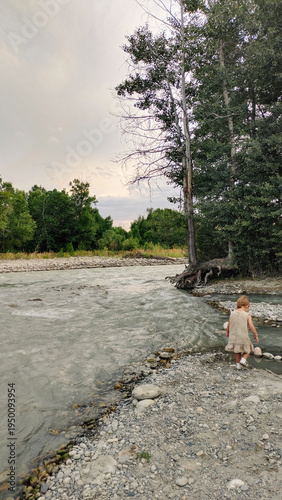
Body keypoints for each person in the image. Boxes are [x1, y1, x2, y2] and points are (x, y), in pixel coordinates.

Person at [225, 295, 259, 369]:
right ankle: (243, 360)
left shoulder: (232, 313)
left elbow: (229, 324)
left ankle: (238, 365)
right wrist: (256, 335)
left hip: (233, 336)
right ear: (247, 306)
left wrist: (227, 332)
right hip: (243, 335)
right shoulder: (247, 315)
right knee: (248, 349)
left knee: (237, 350)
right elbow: (251, 326)